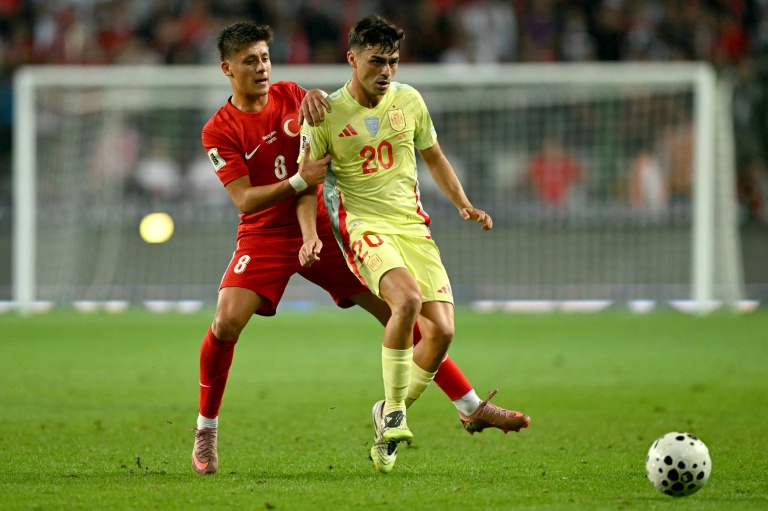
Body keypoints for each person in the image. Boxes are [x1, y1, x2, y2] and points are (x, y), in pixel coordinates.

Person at [192, 20, 530, 477]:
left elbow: (326, 106)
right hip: (266, 234)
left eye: (265, 57)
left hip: (329, 229)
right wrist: (298, 180)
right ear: (227, 68)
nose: (261, 67)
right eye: (250, 61)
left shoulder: (296, 96)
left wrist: (313, 95)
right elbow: (244, 199)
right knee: (226, 320)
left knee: (403, 312)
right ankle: (206, 429)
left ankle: (469, 405)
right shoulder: (219, 129)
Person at [298, 15, 530, 474]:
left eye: (394, 62)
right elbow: (307, 186)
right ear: (353, 60)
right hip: (362, 224)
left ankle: (387, 413)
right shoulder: (325, 112)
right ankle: (398, 414)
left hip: (413, 226)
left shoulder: (410, 101)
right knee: (405, 301)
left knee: (442, 331)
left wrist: (464, 204)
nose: (386, 71)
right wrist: (309, 235)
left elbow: (435, 157)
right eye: (376, 61)